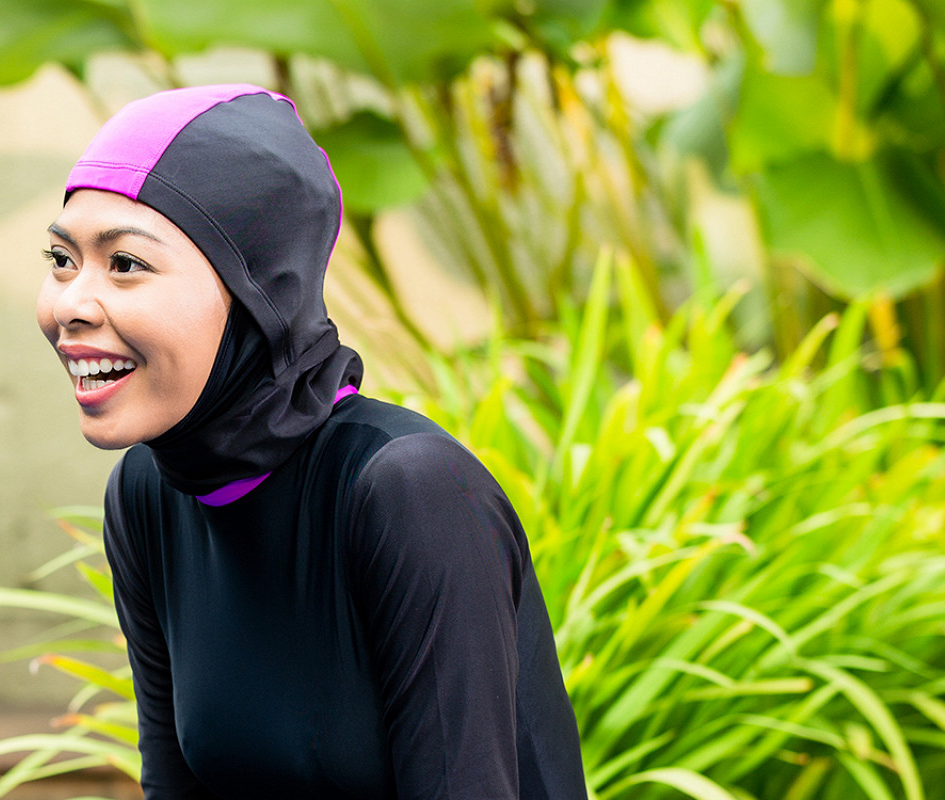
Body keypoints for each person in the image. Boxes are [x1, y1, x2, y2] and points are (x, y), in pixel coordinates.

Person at [37, 84, 586, 799]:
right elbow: (173, 784)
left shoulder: (408, 491)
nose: (71, 304)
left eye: (126, 264)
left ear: (256, 290)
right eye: (62, 259)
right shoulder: (149, 490)